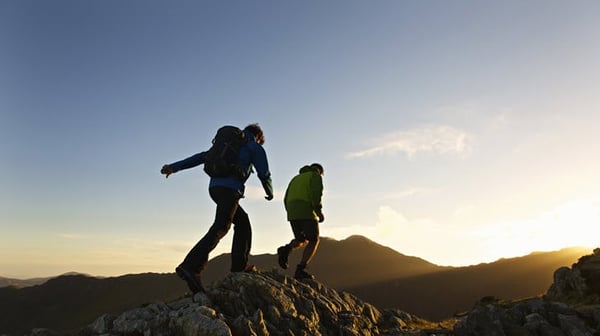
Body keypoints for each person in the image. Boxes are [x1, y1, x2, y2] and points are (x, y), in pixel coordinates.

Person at [161, 123, 274, 293]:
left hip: (214, 188)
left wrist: (174, 167)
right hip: (230, 190)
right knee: (221, 226)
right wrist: (269, 191)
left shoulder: (225, 145)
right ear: (258, 136)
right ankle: (191, 266)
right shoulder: (253, 146)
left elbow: (200, 157)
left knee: (242, 222)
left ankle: (239, 267)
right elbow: (264, 172)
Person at [277, 163, 324, 280]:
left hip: (292, 212)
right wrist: (318, 211)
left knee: (301, 239)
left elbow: (285, 198)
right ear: (320, 171)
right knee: (313, 240)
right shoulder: (315, 176)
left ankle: (286, 249)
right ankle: (301, 269)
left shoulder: (295, 178)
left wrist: (290, 212)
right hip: (306, 210)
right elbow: (316, 193)